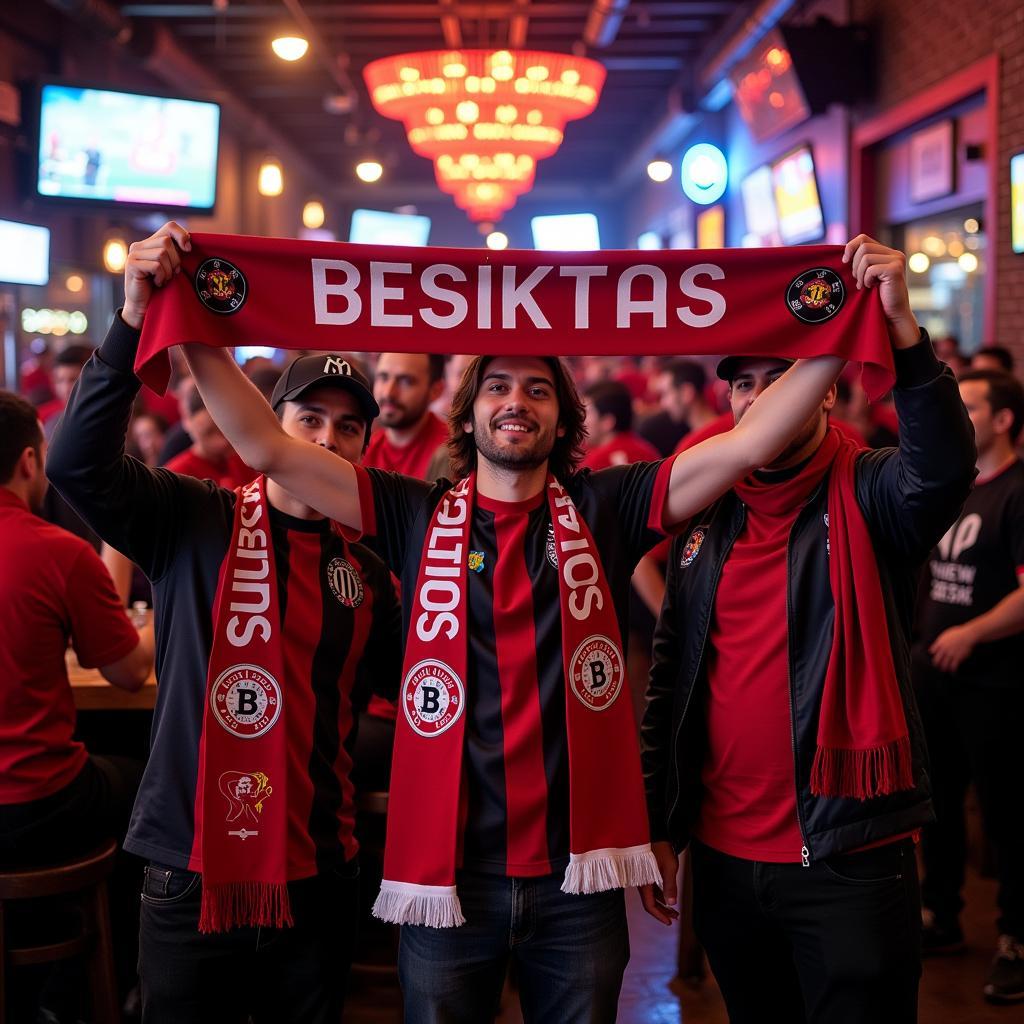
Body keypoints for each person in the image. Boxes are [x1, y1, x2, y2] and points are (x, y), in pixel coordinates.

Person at [175, 224, 845, 1022]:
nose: (515, 403)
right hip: (449, 883)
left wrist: (848, 328)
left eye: (536, 390)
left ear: (564, 420)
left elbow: (753, 440)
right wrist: (189, 322)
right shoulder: (411, 513)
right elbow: (263, 444)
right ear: (469, 415)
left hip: (578, 883)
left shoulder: (609, 506)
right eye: (497, 387)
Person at [47, 223, 404, 1024]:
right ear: (266, 425)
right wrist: (133, 314)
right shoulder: (192, 518)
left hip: (318, 873)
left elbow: (414, 697)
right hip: (189, 866)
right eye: (309, 419)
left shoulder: (370, 571)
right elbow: (74, 465)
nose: (327, 440)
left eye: (349, 428)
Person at [639, 236, 976, 1024]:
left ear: (823, 391)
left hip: (848, 858)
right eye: (743, 386)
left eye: (780, 379)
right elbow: (670, 680)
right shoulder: (706, 514)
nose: (757, 401)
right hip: (725, 859)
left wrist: (904, 336)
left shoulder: (871, 491)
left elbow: (943, 473)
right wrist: (661, 824)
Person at [0, 389, 153, 1011]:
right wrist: (163, 612)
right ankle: (102, 983)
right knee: (151, 789)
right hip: (34, 804)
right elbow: (126, 671)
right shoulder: (57, 552)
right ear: (32, 462)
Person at [913, 368, 1024, 1004]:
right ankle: (942, 916)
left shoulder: (1016, 492)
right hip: (935, 676)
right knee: (939, 805)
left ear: (1004, 419)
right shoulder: (956, 488)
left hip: (996, 682)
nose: (959, 414)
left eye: (970, 405)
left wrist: (972, 633)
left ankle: (1016, 936)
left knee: (1006, 811)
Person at [365, 351, 449, 479]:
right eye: (383, 377)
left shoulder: (454, 453)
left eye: (406, 381)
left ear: (435, 391)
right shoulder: (364, 449)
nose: (388, 393)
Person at [164, 384, 250, 487]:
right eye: (208, 433)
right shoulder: (177, 475)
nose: (222, 443)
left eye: (224, 430)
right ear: (190, 426)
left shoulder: (245, 459)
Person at [582, 380, 660, 470]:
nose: (581, 420)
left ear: (607, 422)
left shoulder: (597, 461)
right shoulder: (648, 452)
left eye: (587, 413)